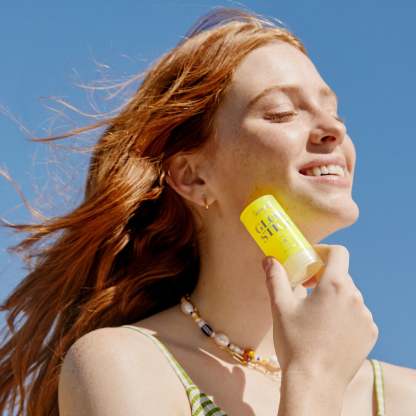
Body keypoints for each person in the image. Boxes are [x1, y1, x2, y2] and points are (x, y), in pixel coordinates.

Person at [0, 7, 415, 416]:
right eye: (281, 113)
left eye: (335, 113)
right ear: (192, 176)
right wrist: (314, 378)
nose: (334, 129)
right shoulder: (123, 365)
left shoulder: (404, 395)